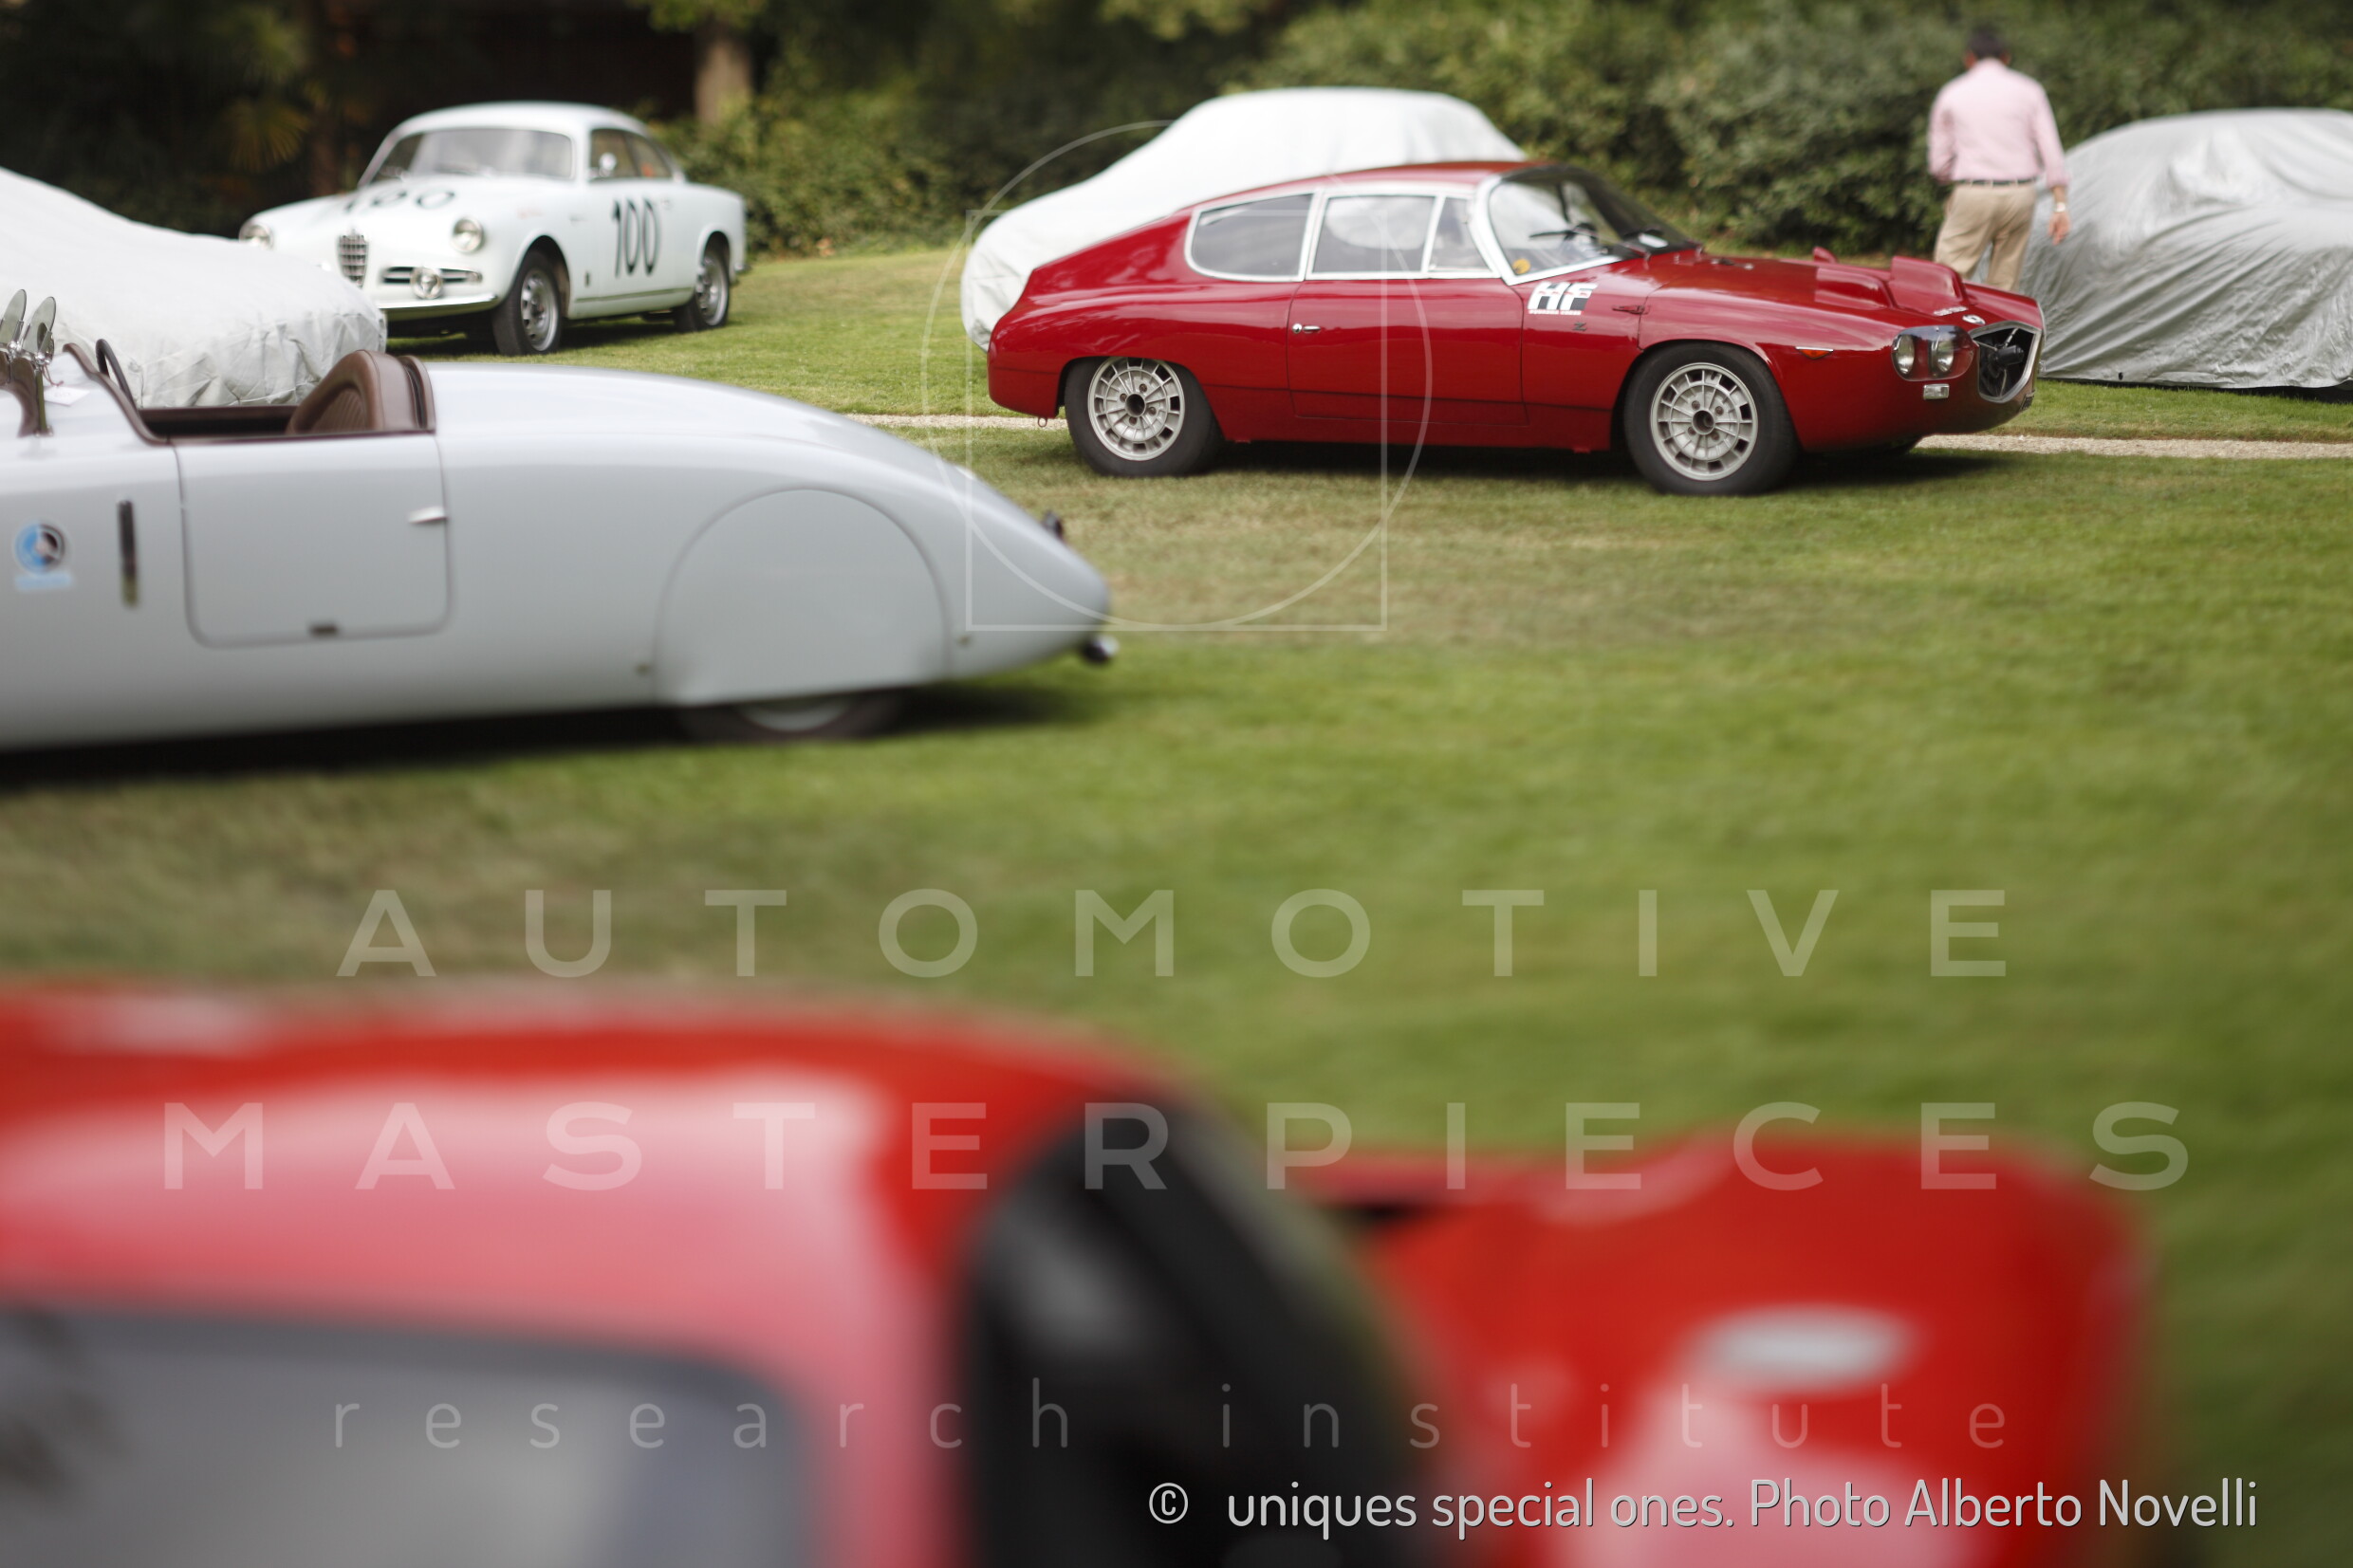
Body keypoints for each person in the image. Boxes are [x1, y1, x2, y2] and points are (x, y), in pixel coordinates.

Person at [1927, 28, 2070, 292]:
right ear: (2006, 57)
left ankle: (1945, 320)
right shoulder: (2030, 90)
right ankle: (1997, 321)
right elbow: (2050, 148)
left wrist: (1952, 181)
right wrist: (2060, 205)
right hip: (2021, 193)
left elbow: (1939, 162)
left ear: (1969, 58)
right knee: (2005, 285)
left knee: (1948, 279)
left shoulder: (1952, 92)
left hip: (1975, 192)